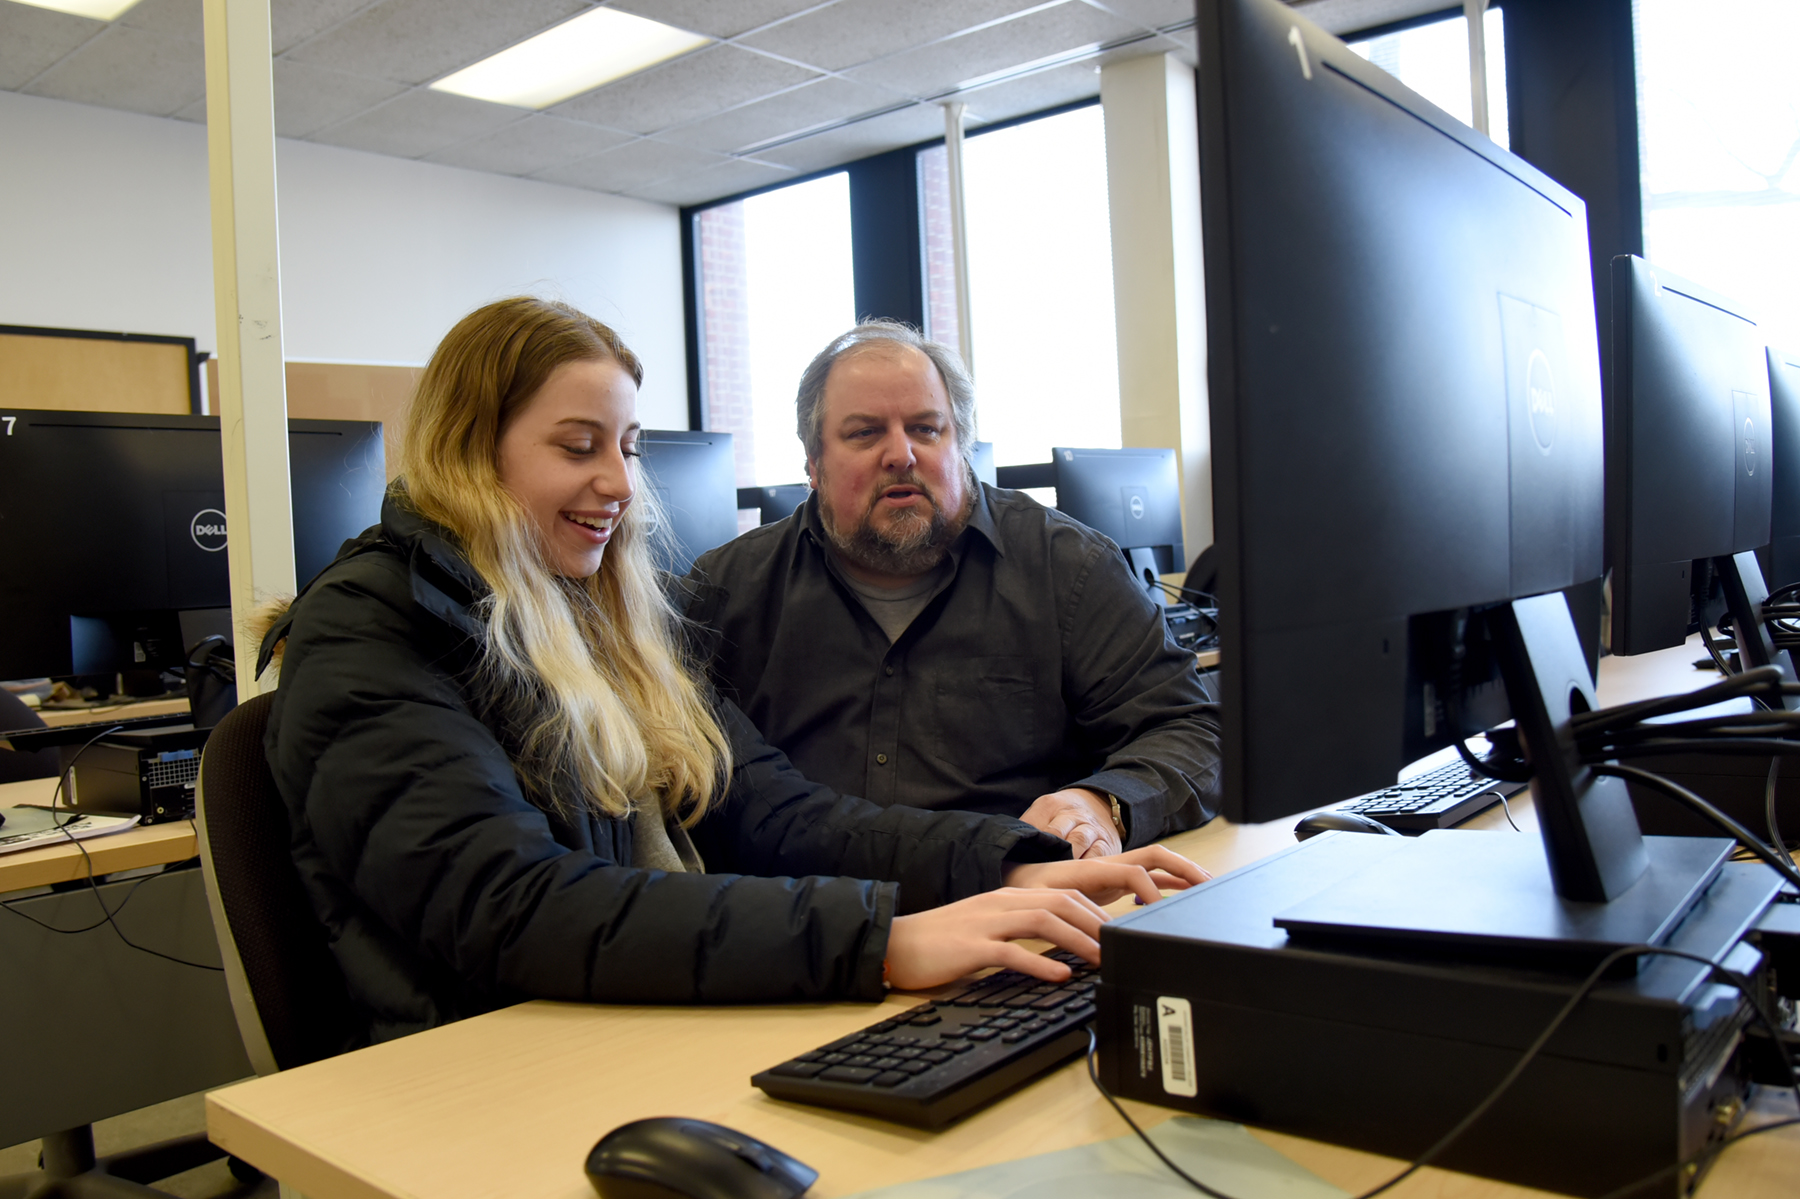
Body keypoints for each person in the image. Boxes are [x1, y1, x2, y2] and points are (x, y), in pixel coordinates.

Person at [259, 298, 1205, 1044]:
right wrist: (883, 938)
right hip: (487, 1066)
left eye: (628, 448)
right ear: (471, 447)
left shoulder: (601, 621)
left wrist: (1016, 864)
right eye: (578, 447)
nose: (624, 486)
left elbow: (775, 811)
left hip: (635, 1014)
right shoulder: (370, 629)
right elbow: (514, 906)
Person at [685, 321, 1222, 860]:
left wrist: (1103, 804)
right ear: (813, 465)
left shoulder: (1066, 567)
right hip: (812, 923)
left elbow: (1191, 731)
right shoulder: (729, 590)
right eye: (864, 433)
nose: (901, 455)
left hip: (1018, 904)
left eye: (925, 428)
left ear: (960, 448)